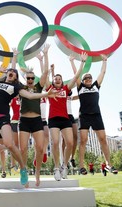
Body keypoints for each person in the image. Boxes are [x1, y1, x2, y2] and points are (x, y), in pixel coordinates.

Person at [0, 59, 57, 187]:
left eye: (14, 72)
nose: (11, 72)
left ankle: (23, 169)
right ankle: (9, 146)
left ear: (16, 77)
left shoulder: (16, 87)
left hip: (3, 118)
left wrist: (45, 94)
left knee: (10, 143)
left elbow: (30, 96)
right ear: (6, 74)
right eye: (9, 71)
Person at [70, 54, 118, 175]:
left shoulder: (96, 86)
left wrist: (104, 61)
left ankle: (108, 164)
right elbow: (76, 73)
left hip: (96, 115)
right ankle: (81, 166)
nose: (88, 79)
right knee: (83, 141)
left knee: (103, 139)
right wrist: (76, 61)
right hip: (84, 116)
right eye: (85, 78)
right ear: (83, 80)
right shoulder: (80, 87)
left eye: (89, 78)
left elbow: (103, 72)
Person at [44, 48, 88, 181]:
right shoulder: (50, 89)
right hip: (53, 119)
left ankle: (64, 165)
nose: (57, 80)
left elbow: (76, 77)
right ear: (53, 81)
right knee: (56, 142)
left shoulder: (65, 89)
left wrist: (82, 63)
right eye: (55, 78)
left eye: (59, 78)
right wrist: (46, 55)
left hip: (65, 119)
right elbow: (45, 75)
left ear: (62, 82)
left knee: (70, 142)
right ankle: (56, 167)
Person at [18, 44, 51, 186]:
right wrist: (16, 60)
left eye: (32, 78)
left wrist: (44, 55)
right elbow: (15, 72)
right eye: (28, 78)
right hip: (24, 120)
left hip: (37, 120)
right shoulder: (21, 88)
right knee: (23, 148)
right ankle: (24, 172)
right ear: (26, 79)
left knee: (39, 148)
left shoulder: (38, 87)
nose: (30, 80)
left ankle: (37, 174)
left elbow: (45, 73)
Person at [9, 95, 20, 174]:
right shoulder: (12, 99)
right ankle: (13, 166)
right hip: (14, 122)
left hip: (23, 121)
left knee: (21, 145)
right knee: (14, 144)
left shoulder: (24, 98)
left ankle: (21, 165)